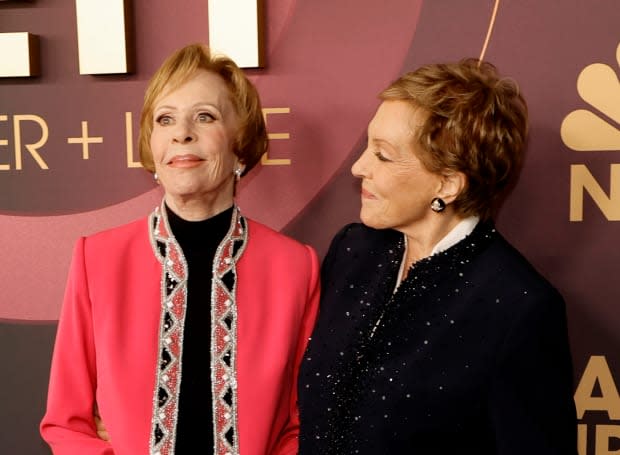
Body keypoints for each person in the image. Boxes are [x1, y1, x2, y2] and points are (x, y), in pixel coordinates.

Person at [40, 43, 320, 455]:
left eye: (204, 116)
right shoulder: (96, 259)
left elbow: (303, 424)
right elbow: (66, 424)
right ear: (151, 147)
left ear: (240, 143)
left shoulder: (296, 267)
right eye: (165, 119)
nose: (181, 132)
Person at [298, 59, 577, 454]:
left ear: (447, 183)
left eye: (383, 155)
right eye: (367, 147)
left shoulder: (519, 309)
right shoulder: (353, 251)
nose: (359, 167)